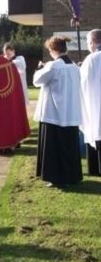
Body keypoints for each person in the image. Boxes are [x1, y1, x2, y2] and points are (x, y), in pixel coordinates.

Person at [33, 36, 82, 187]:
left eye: (49, 50)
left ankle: (56, 177)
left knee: (54, 147)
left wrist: (42, 68)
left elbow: (36, 81)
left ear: (54, 49)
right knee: (69, 146)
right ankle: (71, 176)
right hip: (70, 112)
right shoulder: (74, 67)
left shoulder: (54, 66)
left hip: (54, 114)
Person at [0, 45, 30, 155]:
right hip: (8, 102)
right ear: (2, 52)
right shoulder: (10, 65)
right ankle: (9, 146)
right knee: (9, 121)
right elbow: (17, 85)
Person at [80, 29, 101, 175]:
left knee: (96, 130)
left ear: (92, 42)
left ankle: (95, 168)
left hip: (95, 103)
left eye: (88, 43)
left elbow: (83, 84)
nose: (88, 45)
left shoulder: (91, 59)